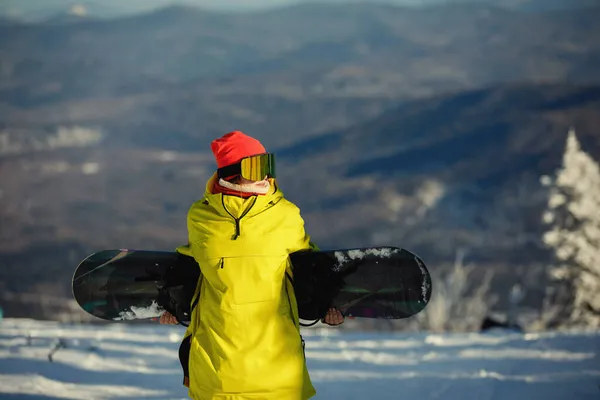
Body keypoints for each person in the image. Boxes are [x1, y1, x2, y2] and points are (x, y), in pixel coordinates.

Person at [160, 130, 344, 399]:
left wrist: (326, 306)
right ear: (234, 172)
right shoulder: (204, 217)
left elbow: (309, 270)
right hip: (235, 369)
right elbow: (313, 268)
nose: (267, 175)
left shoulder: (279, 214)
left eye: (267, 165)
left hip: (259, 370)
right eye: (257, 166)